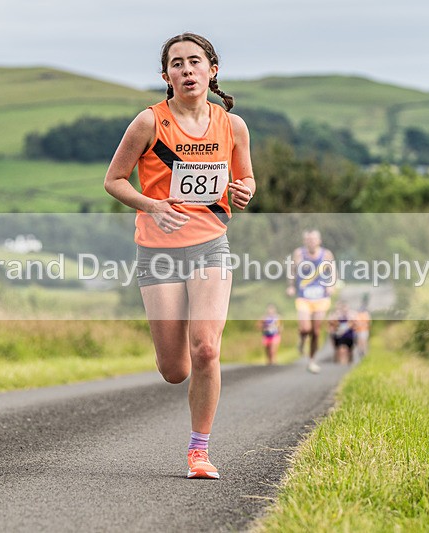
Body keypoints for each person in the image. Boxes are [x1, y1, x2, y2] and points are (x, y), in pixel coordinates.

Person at [104, 32, 255, 480]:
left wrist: (244, 192)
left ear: (212, 70)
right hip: (158, 251)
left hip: (211, 244)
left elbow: (246, 181)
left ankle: (199, 450)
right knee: (175, 369)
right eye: (177, 64)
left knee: (207, 348)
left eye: (195, 62)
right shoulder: (149, 123)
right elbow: (114, 180)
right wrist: (153, 205)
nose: (187, 70)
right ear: (166, 76)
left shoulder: (233, 125)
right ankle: (183, 361)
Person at [286, 229, 335, 373]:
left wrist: (331, 285)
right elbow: (292, 270)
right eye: (308, 240)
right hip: (304, 297)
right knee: (305, 329)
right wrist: (290, 286)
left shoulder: (326, 254)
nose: (311, 242)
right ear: (305, 241)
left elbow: (333, 272)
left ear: (319, 241)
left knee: (316, 332)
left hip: (321, 298)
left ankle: (312, 361)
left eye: (314, 239)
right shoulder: (299, 253)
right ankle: (301, 340)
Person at [328, 300, 355, 365]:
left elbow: (353, 323)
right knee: (339, 348)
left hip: (349, 334)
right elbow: (331, 323)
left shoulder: (351, 314)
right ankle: (339, 361)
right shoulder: (335, 315)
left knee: (349, 349)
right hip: (338, 335)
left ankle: (349, 361)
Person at [353, 294, 372, 361]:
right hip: (360, 330)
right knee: (361, 341)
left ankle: (363, 352)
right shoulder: (359, 314)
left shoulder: (365, 314)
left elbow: (368, 322)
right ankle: (361, 352)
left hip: (363, 330)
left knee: (363, 341)